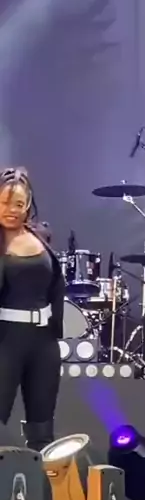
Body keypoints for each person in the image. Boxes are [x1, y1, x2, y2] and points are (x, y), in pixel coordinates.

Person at [0, 168, 65, 450]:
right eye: (5, 202)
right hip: (5, 341)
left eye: (19, 204)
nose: (12, 210)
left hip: (43, 342)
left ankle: (38, 479)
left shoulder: (40, 235)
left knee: (42, 431)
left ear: (28, 205)